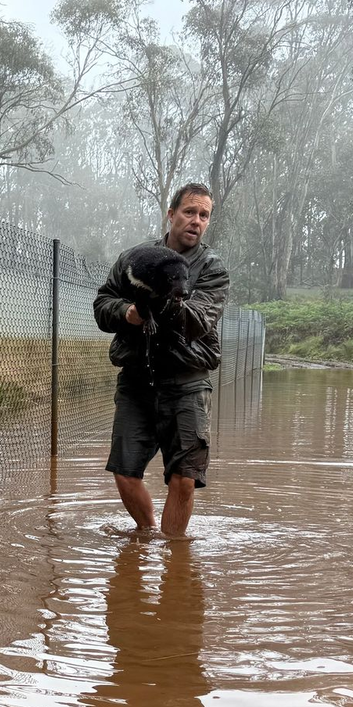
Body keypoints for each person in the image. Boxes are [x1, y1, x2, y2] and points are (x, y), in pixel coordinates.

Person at [93, 184, 229, 536]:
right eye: (189, 212)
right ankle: (148, 532)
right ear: (171, 215)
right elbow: (103, 305)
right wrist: (130, 313)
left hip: (188, 381)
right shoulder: (134, 259)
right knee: (124, 472)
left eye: (204, 215)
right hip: (137, 381)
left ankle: (173, 556)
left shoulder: (213, 269)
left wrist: (163, 299)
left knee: (184, 480)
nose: (196, 221)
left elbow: (198, 320)